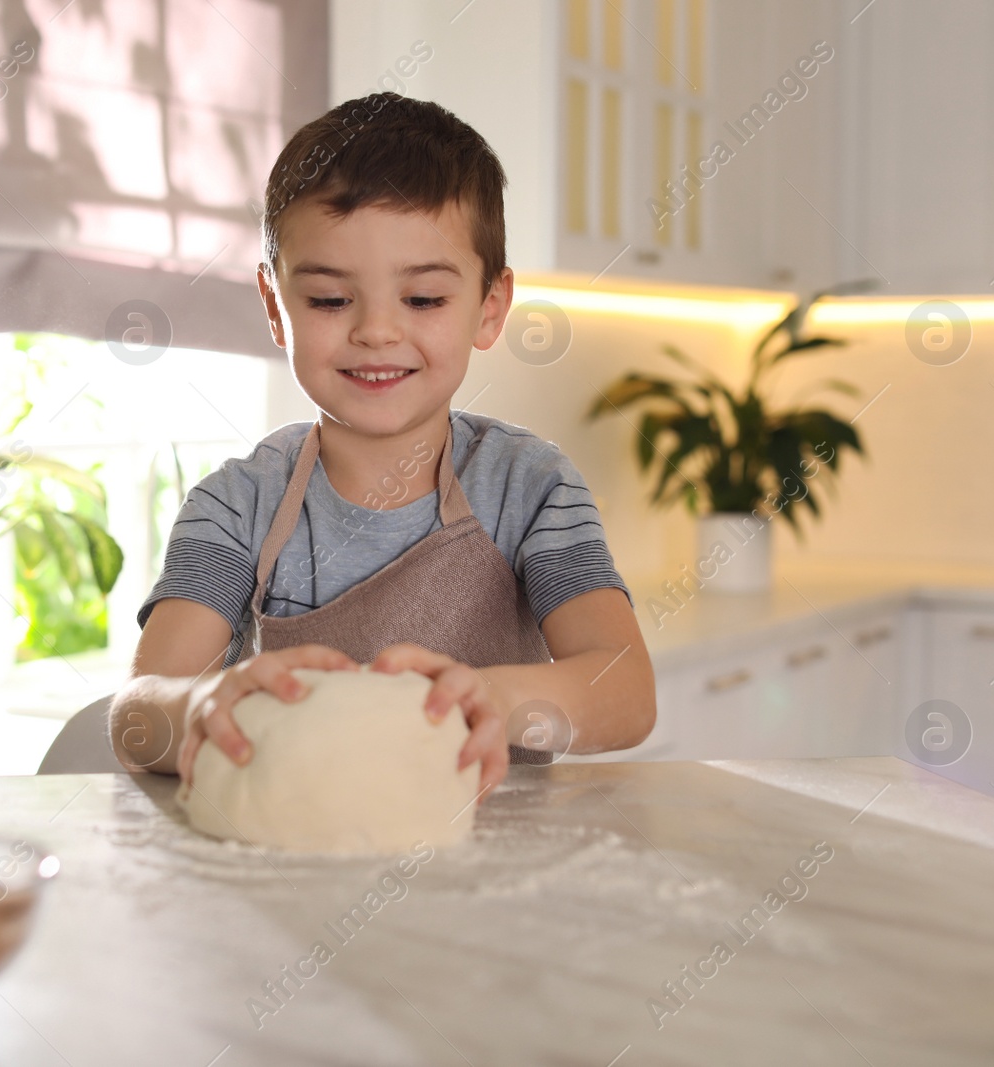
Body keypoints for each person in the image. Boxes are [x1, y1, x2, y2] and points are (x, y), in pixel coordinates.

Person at [111, 93, 655, 799]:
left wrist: (488, 698)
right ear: (277, 308)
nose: (376, 332)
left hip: (494, 871)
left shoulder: (531, 486)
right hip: (291, 864)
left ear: (489, 307)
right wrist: (198, 705)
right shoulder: (236, 504)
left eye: (423, 299)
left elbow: (628, 690)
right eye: (331, 301)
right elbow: (136, 719)